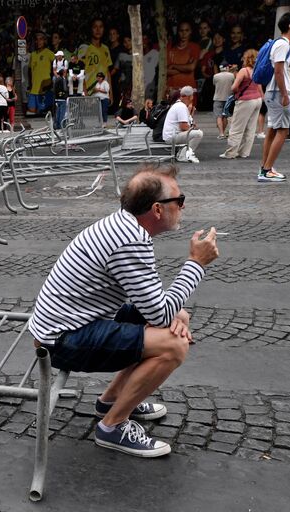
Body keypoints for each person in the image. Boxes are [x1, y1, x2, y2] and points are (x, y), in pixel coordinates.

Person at [29, 164, 219, 458]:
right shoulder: (130, 240)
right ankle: (112, 426)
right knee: (174, 345)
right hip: (61, 341)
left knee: (170, 321)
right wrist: (196, 264)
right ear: (157, 209)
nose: (183, 206)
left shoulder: (123, 225)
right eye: (179, 201)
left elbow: (155, 306)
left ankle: (113, 400)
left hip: (68, 325)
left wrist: (175, 312)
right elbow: (158, 314)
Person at [259, 12, 290, 183]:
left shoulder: (279, 43)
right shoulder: (283, 45)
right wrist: (285, 94)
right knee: (283, 131)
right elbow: (278, 70)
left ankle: (265, 167)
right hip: (278, 93)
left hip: (273, 92)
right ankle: (267, 170)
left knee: (272, 131)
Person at [220, 49, 262, 159]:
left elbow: (234, 87)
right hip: (257, 99)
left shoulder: (244, 71)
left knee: (236, 128)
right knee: (250, 128)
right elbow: (259, 86)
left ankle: (230, 153)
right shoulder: (257, 70)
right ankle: (244, 152)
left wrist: (235, 88)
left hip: (246, 101)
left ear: (246, 58)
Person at [162, 85, 203, 163]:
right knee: (198, 134)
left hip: (171, 135)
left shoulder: (179, 105)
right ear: (189, 96)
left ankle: (182, 153)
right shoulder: (181, 107)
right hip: (172, 136)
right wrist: (193, 129)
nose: (193, 98)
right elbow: (183, 126)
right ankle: (184, 155)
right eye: (192, 95)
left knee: (195, 133)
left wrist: (191, 126)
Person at [77, 18, 113, 99]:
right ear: (90, 29)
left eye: (101, 27)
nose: (98, 30)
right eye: (95, 27)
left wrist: (110, 93)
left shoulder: (105, 49)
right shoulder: (84, 48)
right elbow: (79, 72)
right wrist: (84, 93)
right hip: (90, 93)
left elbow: (107, 72)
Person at [166, 21, 200, 102]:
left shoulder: (194, 47)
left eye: (186, 30)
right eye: (181, 31)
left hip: (188, 90)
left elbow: (191, 67)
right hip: (171, 89)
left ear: (191, 31)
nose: (184, 34)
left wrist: (174, 66)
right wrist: (185, 67)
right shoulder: (169, 47)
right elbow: (165, 71)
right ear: (178, 32)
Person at [27, 31, 55, 114]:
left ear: (45, 41)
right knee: (32, 112)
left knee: (43, 113)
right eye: (36, 40)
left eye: (41, 39)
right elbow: (29, 71)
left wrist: (51, 84)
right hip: (33, 90)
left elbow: (56, 68)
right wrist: (30, 84)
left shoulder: (50, 53)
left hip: (45, 90)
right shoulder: (33, 54)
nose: (38, 42)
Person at [212, 65, 235, 139]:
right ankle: (224, 132)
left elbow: (214, 84)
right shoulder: (231, 76)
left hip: (218, 98)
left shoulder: (216, 76)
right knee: (226, 116)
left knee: (218, 116)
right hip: (228, 98)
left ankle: (221, 133)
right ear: (227, 68)